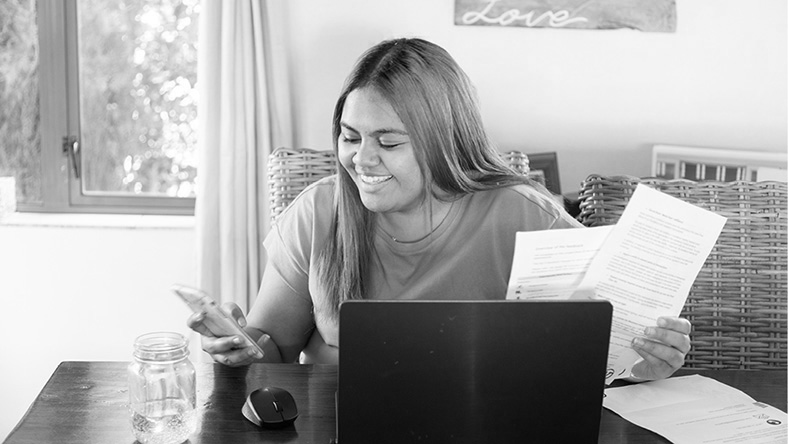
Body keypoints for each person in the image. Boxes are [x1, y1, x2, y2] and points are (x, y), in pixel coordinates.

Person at [188, 37, 691, 381]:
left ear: (443, 142)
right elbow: (271, 349)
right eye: (350, 136)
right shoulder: (318, 213)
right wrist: (243, 349)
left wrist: (641, 364)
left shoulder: (525, 216)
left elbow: (595, 359)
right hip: (341, 420)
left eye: (388, 141)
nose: (361, 160)